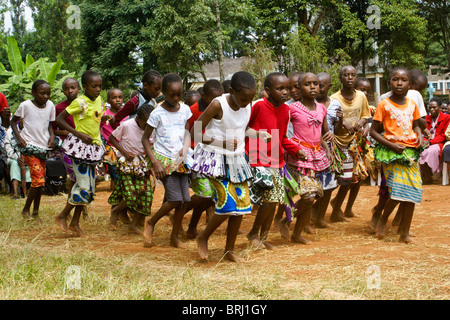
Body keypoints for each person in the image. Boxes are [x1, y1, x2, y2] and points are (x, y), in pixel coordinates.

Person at [191, 71, 260, 262]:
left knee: (242, 205)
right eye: (243, 98)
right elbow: (194, 132)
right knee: (228, 204)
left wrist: (257, 134)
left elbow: (241, 127)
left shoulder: (247, 103)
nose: (247, 103)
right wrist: (222, 143)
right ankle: (203, 237)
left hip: (237, 159)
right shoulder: (217, 104)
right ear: (231, 91)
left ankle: (229, 250)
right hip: (216, 160)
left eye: (250, 99)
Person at [245, 72, 302, 249]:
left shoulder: (286, 110)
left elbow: (283, 136)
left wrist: (297, 150)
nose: (286, 92)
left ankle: (262, 237)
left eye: (288, 88)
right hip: (258, 155)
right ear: (268, 90)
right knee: (269, 199)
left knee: (275, 200)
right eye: (280, 89)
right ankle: (253, 233)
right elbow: (243, 128)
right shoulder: (258, 106)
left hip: (277, 159)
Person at [54, 71, 112, 236]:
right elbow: (59, 119)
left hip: (93, 148)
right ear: (84, 87)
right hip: (79, 148)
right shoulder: (79, 102)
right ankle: (62, 215)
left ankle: (74, 222)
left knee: (90, 189)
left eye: (100, 86)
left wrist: (105, 120)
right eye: (94, 86)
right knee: (84, 187)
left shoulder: (99, 100)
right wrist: (78, 134)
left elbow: (95, 119)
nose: (98, 89)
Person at [370, 67, 424, 244]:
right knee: (398, 191)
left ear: (410, 84)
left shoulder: (412, 104)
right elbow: (373, 132)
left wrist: (420, 136)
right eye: (395, 79)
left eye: (404, 80)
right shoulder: (383, 105)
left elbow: (416, 125)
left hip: (410, 152)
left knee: (413, 192)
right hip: (391, 153)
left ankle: (404, 232)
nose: (399, 83)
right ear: (389, 83)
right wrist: (392, 145)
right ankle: (384, 220)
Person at [278, 72, 332, 244]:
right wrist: (292, 148)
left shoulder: (322, 108)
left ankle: (296, 233)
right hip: (298, 157)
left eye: (316, 83)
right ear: (300, 88)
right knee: (308, 197)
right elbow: (283, 133)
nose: (313, 87)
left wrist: (328, 150)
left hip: (317, 157)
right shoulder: (291, 109)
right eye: (308, 84)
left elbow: (322, 134)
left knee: (310, 198)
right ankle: (286, 219)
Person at [142, 73, 192, 249]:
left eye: (179, 94)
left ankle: (174, 236)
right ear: (163, 92)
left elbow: (187, 133)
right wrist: (155, 162)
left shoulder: (185, 109)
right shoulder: (157, 113)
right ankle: (151, 222)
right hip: (164, 159)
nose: (176, 98)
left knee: (185, 200)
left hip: (181, 159)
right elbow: (145, 139)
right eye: (172, 95)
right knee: (175, 199)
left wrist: (185, 150)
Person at [329, 66, 371, 222]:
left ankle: (340, 208)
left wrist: (360, 122)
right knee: (343, 181)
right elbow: (330, 120)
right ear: (340, 79)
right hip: (338, 143)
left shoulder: (361, 96)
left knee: (354, 179)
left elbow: (366, 115)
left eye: (353, 75)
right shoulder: (334, 98)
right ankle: (333, 210)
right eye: (346, 75)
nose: (350, 78)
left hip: (355, 143)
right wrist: (344, 122)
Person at [10, 80, 56, 221]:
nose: (46, 96)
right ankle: (26, 210)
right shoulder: (26, 106)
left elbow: (49, 125)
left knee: (40, 181)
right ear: (34, 92)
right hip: (29, 146)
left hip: (43, 147)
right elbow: (13, 121)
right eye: (42, 93)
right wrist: (19, 137)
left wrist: (52, 137)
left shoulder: (50, 106)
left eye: (48, 93)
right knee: (38, 179)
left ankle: (35, 212)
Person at [184, 79, 224, 239]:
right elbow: (193, 133)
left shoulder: (219, 107)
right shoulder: (194, 110)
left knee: (209, 197)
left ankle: (192, 228)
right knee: (204, 193)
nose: (218, 102)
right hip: (198, 155)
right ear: (204, 95)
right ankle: (180, 212)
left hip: (214, 156)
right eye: (214, 98)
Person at [108, 104, 155, 235]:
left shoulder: (152, 127)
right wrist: (124, 152)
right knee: (131, 195)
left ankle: (134, 225)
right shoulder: (127, 125)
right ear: (138, 119)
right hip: (125, 164)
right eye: (146, 124)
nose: (148, 127)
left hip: (142, 165)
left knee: (146, 196)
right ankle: (116, 211)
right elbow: (112, 137)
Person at [311, 72, 344, 228]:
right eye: (316, 84)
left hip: (329, 149)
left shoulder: (335, 104)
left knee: (330, 184)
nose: (318, 88)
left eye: (322, 85)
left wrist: (341, 119)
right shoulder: (309, 104)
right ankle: (307, 216)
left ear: (329, 86)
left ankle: (320, 218)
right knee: (314, 186)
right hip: (312, 149)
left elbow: (335, 130)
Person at [273, 71, 304, 228]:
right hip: (286, 153)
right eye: (289, 87)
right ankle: (280, 217)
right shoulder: (287, 106)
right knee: (286, 188)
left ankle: (294, 217)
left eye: (296, 87)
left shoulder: (312, 106)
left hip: (304, 153)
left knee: (305, 190)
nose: (292, 91)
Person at [419, 98, 450, 183]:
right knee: (420, 150)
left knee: (431, 151)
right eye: (430, 108)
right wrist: (425, 141)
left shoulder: (447, 118)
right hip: (426, 142)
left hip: (439, 143)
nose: (431, 109)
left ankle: (429, 174)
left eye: (434, 107)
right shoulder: (426, 118)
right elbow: (422, 132)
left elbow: (444, 135)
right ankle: (426, 174)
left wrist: (430, 142)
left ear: (439, 107)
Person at [100, 88, 124, 190]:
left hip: (124, 147)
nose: (117, 100)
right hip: (111, 149)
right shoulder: (104, 115)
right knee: (114, 172)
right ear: (109, 101)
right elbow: (97, 127)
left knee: (123, 171)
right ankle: (116, 194)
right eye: (114, 98)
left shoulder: (125, 114)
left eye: (120, 97)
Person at [4, 120, 31, 199]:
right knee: (15, 164)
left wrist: (26, 158)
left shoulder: (30, 132)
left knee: (30, 165)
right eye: (21, 119)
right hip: (13, 158)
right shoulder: (9, 133)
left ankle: (26, 192)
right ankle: (15, 194)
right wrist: (18, 158)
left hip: (27, 158)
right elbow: (9, 150)